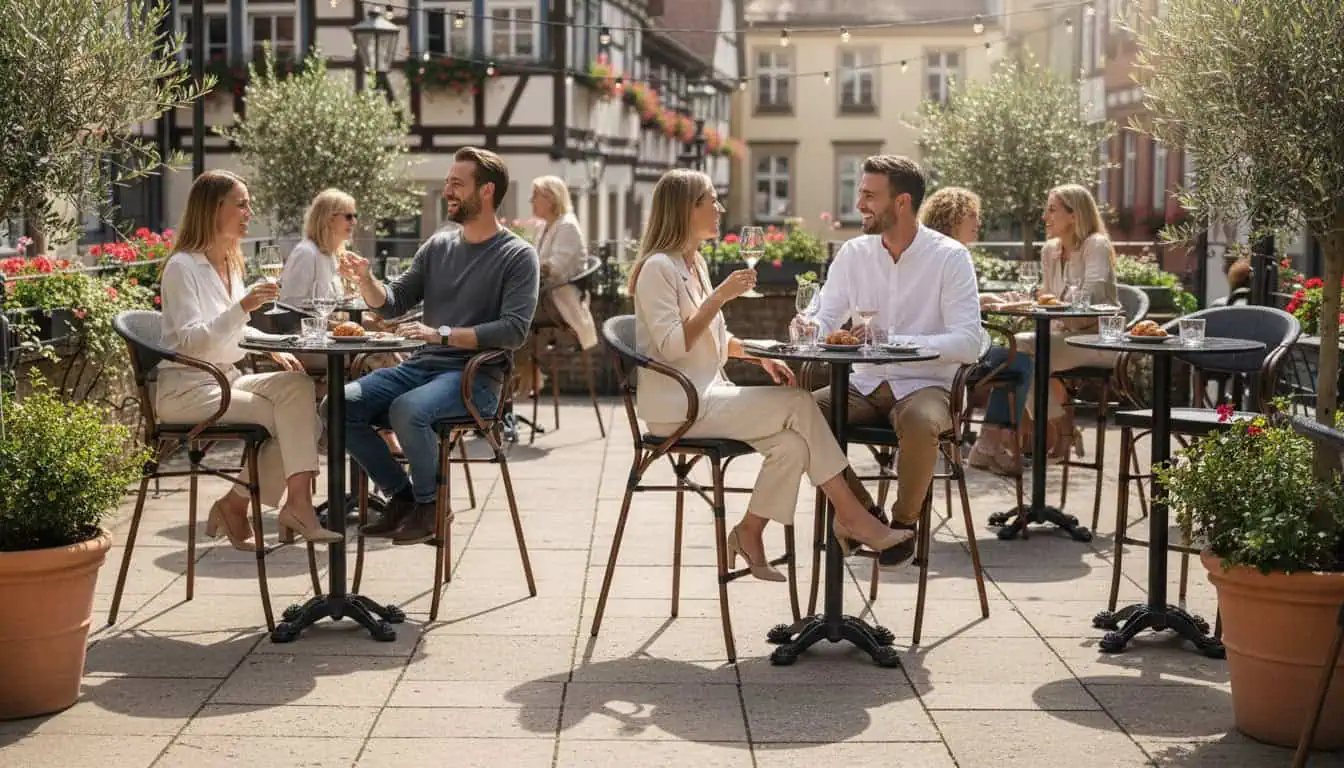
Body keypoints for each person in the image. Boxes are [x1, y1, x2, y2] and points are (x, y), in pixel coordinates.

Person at [631, 169, 911, 582]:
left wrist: (757, 357)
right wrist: (720, 297)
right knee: (800, 402)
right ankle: (855, 517)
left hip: (710, 396)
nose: (719, 208)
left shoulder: (694, 264)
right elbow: (673, 345)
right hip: (680, 406)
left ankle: (749, 531)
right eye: (711, 199)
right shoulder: (659, 268)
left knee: (793, 447)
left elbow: (717, 336)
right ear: (687, 209)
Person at [337, 147, 540, 545]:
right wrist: (365, 280)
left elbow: (514, 330)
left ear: (486, 192)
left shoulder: (518, 256)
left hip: (476, 378)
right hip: (422, 368)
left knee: (407, 409)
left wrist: (444, 334)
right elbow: (393, 302)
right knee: (338, 404)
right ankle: (403, 497)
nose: (447, 191)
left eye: (456, 184)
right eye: (447, 183)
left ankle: (431, 508)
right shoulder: (438, 246)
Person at [797, 156, 985, 566]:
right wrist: (808, 324)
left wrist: (895, 340)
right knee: (800, 412)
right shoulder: (854, 253)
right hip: (863, 384)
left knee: (919, 421)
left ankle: (903, 528)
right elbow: (825, 314)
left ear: (901, 202)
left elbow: (970, 342)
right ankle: (865, 517)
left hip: (927, 385)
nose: (859, 204)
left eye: (869, 195)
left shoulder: (949, 257)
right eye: (860, 194)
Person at [155, 170, 339, 550]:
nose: (249, 212)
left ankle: (243, 504)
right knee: (293, 422)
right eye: (241, 204)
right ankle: (285, 506)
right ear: (213, 208)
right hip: (188, 389)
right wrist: (243, 308)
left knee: (299, 391)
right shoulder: (182, 268)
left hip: (226, 379)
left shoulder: (230, 265)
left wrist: (271, 345)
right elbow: (192, 343)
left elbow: (236, 332)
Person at [919, 186, 1032, 477]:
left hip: (940, 347)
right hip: (953, 353)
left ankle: (991, 444)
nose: (978, 223)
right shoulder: (951, 254)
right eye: (973, 216)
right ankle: (990, 445)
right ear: (954, 218)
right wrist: (983, 302)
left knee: (1016, 357)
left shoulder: (930, 251)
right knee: (1019, 360)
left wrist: (982, 300)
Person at [1014, 183, 1119, 460]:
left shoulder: (1095, 244)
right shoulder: (1050, 250)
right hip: (1064, 337)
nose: (1044, 217)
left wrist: (1054, 303)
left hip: (1099, 341)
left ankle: (1062, 430)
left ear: (1074, 215)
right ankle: (1063, 426)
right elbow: (1047, 299)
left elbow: (1092, 296)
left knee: (1022, 351)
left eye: (1052, 210)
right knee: (1017, 354)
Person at [513, 175, 599, 398]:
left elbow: (555, 268)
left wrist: (524, 265)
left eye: (535, 196)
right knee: (505, 316)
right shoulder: (547, 226)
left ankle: (524, 377)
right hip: (545, 297)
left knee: (510, 318)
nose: (531, 201)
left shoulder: (567, 226)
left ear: (551, 199)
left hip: (559, 301)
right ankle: (525, 374)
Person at [278, 188, 358, 374]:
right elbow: (289, 305)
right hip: (307, 342)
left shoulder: (329, 254)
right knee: (376, 354)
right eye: (348, 216)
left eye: (355, 216)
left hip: (326, 336)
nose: (354, 222)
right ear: (330, 219)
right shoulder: (306, 253)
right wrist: (333, 320)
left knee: (383, 339)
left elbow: (333, 303)